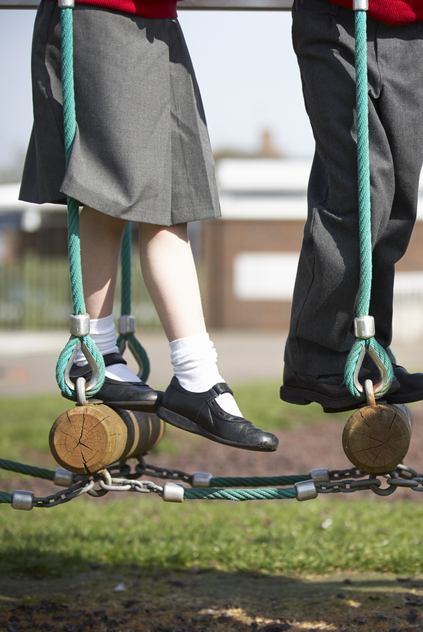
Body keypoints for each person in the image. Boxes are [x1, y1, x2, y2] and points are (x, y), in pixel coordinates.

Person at [20, 0, 278, 453]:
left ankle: (196, 375)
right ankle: (94, 351)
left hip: (158, 23)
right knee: (107, 189)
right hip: (102, 14)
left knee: (173, 200)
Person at [279, 0, 423, 414]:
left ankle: (371, 351)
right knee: (362, 191)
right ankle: (316, 357)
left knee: (397, 202)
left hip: (420, 25)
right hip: (339, 16)